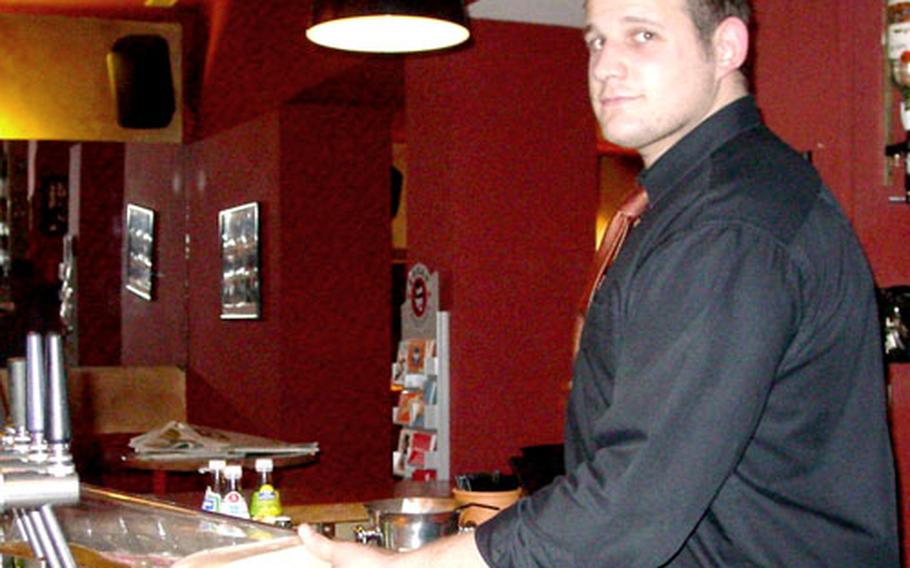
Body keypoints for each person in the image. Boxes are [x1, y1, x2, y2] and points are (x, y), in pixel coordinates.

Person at [297, 0, 900, 565]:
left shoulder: (730, 223)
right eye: (595, 41)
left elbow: (638, 499)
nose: (606, 65)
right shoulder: (698, 204)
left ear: (726, 47)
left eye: (643, 35)